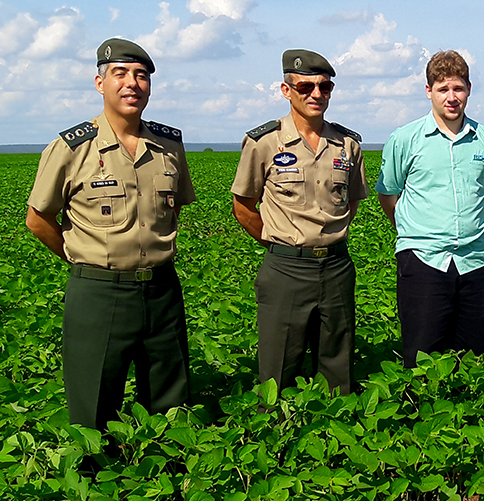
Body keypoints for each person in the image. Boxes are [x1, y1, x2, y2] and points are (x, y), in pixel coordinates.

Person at [25, 38, 195, 430]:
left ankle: (164, 481)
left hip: (162, 290)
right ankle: (95, 475)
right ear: (100, 83)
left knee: (170, 399)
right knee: (94, 403)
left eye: (140, 76)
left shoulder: (169, 146)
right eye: (120, 74)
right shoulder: (72, 148)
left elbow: (175, 210)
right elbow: (38, 218)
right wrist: (79, 256)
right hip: (98, 293)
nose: (131, 84)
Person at [231, 49, 368, 395]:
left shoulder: (347, 144)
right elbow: (243, 205)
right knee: (278, 370)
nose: (316, 95)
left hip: (336, 267)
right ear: (286, 89)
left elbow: (350, 202)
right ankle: (276, 441)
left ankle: (332, 442)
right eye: (306, 87)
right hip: (286, 271)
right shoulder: (264, 142)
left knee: (338, 369)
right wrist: (281, 242)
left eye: (324, 87)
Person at [375, 50, 484, 367]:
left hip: (474, 261)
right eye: (443, 89)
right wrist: (416, 230)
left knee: (472, 356)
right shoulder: (405, 139)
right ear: (428, 91)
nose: (451, 97)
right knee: (422, 357)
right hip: (423, 260)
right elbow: (388, 194)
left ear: (469, 89)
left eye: (458, 88)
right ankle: (420, 415)